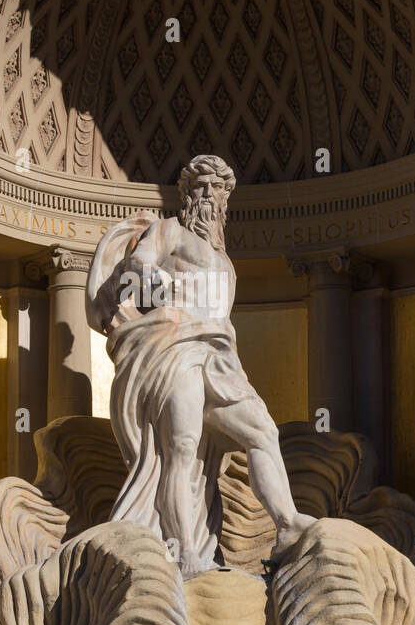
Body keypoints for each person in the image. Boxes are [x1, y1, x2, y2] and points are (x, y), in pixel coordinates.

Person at [86, 153, 314, 577]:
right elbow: (139, 261)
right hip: (174, 348)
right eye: (199, 186)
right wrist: (150, 277)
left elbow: (222, 318)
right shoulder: (169, 230)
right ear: (187, 194)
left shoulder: (224, 260)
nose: (207, 194)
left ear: (226, 197)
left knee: (263, 431)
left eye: (216, 187)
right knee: (183, 447)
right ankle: (187, 553)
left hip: (218, 358)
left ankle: (285, 526)